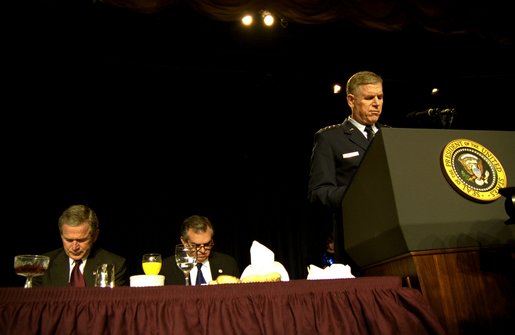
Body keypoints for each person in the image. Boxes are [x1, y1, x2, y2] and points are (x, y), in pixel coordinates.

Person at [307, 70, 390, 273]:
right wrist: (357, 195)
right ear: (351, 100)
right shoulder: (330, 139)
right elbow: (318, 192)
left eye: (380, 97)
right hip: (356, 239)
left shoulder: (392, 136)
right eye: (369, 98)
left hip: (393, 234)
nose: (377, 103)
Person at [32, 204, 128, 287]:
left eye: (81, 240)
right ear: (61, 236)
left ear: (95, 236)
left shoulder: (115, 265)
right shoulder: (42, 265)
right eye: (69, 240)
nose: (74, 247)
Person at [161, 215, 240, 285]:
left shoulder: (228, 264)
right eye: (196, 245)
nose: (202, 250)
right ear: (184, 242)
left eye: (207, 244)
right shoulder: (166, 268)